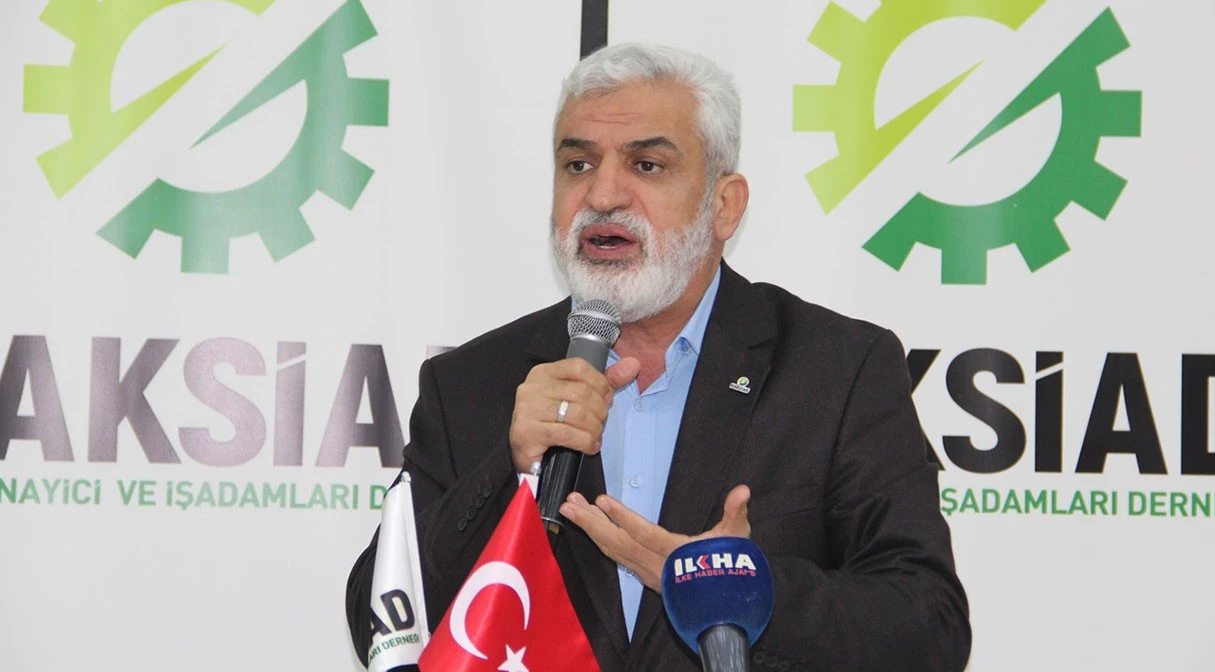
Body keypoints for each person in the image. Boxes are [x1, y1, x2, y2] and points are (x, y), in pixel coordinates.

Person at [346, 43, 970, 671]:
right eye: (578, 164)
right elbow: (381, 615)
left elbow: (930, 627)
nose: (603, 195)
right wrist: (506, 470)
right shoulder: (473, 383)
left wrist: (744, 590)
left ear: (724, 206)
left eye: (646, 165)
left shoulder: (838, 371)